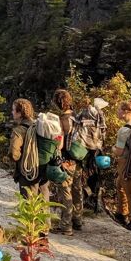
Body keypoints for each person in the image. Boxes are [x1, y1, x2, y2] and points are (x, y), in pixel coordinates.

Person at [50, 89, 81, 236]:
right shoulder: (77, 116)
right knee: (77, 189)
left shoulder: (62, 119)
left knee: (65, 191)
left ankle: (66, 226)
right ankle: (78, 220)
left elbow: (60, 144)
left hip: (66, 160)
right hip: (78, 158)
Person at [9, 98, 49, 202]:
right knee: (43, 204)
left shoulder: (18, 131)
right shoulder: (39, 126)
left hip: (28, 173)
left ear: (19, 113)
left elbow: (14, 154)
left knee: (29, 204)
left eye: (13, 110)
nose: (12, 112)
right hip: (43, 170)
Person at [113, 99, 131, 233]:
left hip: (125, 161)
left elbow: (118, 151)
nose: (117, 112)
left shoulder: (124, 130)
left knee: (130, 190)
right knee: (120, 184)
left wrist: (112, 149)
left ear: (125, 112)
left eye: (119, 109)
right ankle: (121, 212)